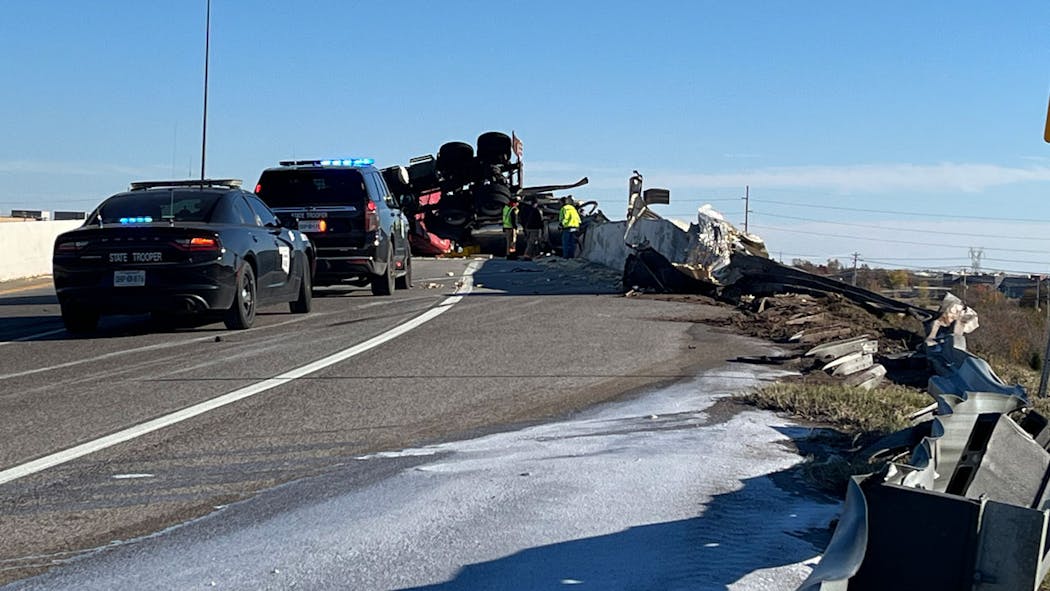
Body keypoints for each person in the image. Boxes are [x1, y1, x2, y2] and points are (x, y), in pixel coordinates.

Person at [519, 196, 545, 260]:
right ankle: (527, 255)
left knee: (530, 242)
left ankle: (534, 254)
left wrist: (524, 227)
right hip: (535, 228)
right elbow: (540, 220)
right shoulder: (537, 210)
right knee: (532, 242)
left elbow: (521, 219)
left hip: (527, 227)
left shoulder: (524, 209)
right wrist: (542, 228)